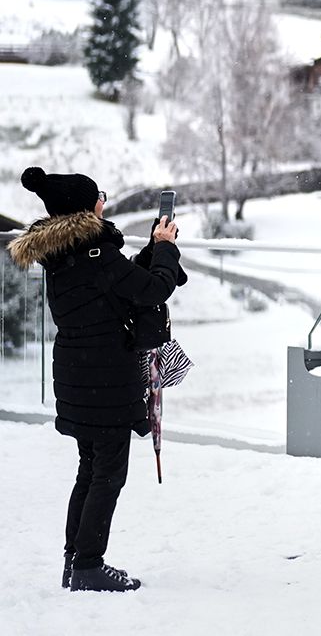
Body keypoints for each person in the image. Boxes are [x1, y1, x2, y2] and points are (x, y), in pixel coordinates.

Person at [9, 168, 185, 593]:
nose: (103, 201)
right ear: (88, 206)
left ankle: (75, 560)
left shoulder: (65, 253)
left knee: (89, 470)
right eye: (99, 196)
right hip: (105, 380)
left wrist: (150, 249)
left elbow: (119, 285)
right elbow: (153, 289)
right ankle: (88, 564)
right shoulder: (97, 255)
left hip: (78, 375)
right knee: (107, 475)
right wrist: (164, 249)